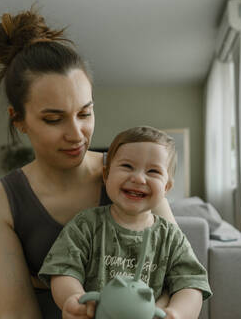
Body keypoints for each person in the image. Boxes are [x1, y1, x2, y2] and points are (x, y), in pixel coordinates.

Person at [0, 8, 177, 319]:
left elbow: (176, 277)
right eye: (54, 119)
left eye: (85, 113)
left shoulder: (132, 179)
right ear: (19, 122)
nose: (77, 134)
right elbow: (14, 312)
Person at [38, 126, 212, 319]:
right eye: (127, 166)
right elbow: (63, 270)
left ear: (167, 187)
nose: (138, 178)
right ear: (106, 175)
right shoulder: (85, 225)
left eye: (153, 171)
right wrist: (73, 298)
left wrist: (177, 313)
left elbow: (191, 284)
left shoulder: (171, 237)